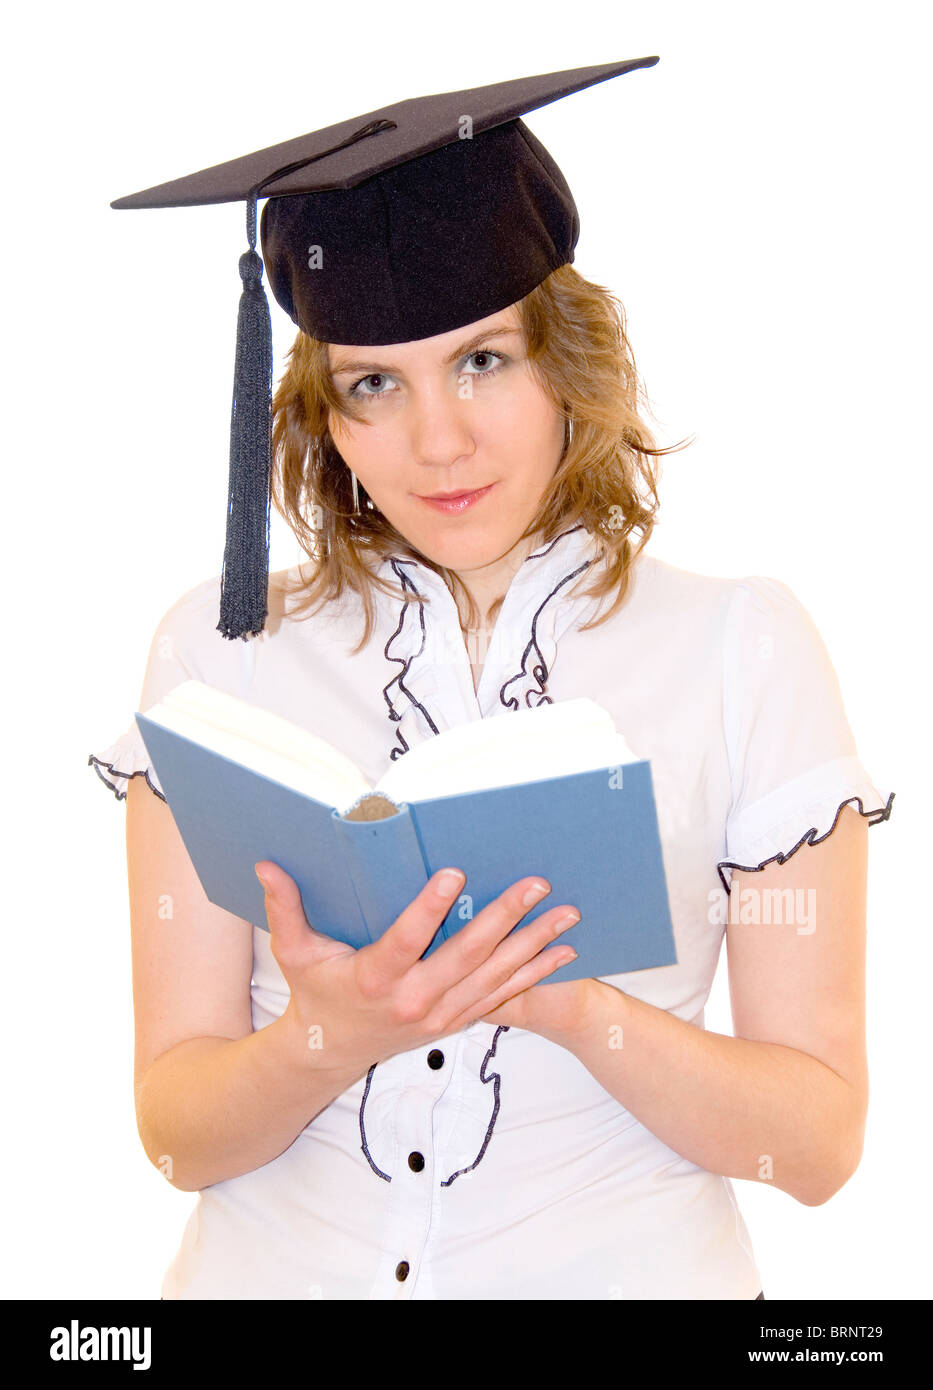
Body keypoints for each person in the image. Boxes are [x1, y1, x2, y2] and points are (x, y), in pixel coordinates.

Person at [89, 60, 894, 1300]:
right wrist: (333, 1031)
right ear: (322, 415)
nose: (439, 441)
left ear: (565, 362)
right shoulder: (217, 655)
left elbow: (820, 1143)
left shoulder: (742, 648)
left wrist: (570, 1007)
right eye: (374, 384)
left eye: (481, 362)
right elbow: (174, 1132)